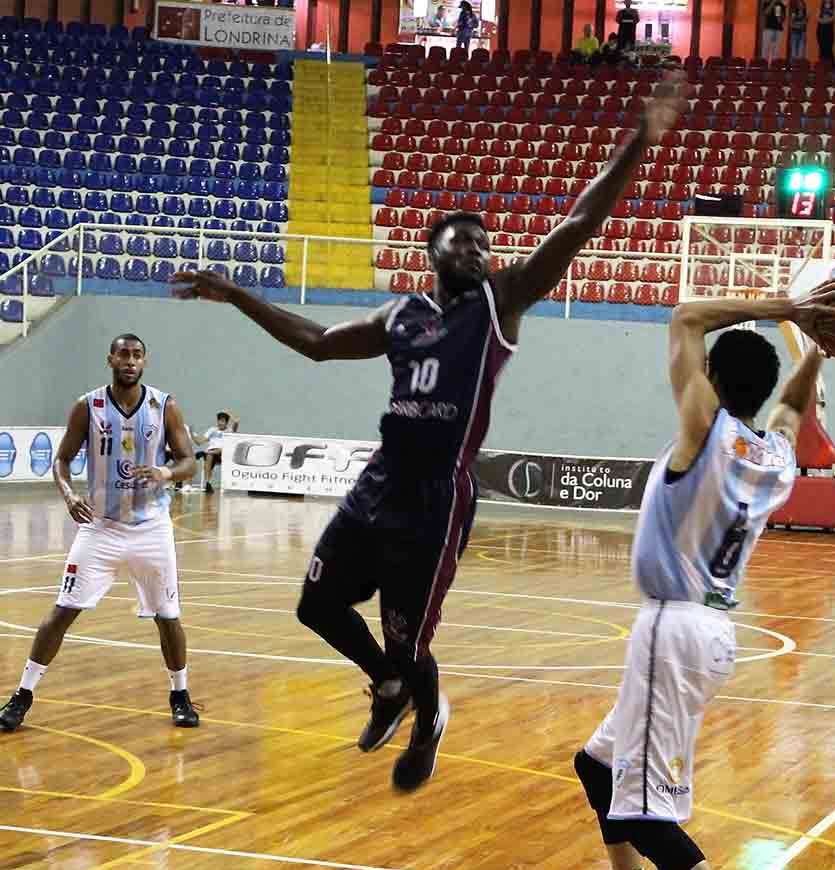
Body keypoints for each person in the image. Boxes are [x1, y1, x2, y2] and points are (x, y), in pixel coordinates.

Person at [170, 75, 686, 793]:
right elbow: (317, 343)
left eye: (484, 243)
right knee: (317, 605)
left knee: (409, 641)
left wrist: (638, 143)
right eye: (462, 240)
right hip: (379, 483)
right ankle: (390, 687)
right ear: (432, 249)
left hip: (436, 499)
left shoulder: (501, 299)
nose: (477, 249)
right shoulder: (399, 315)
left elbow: (576, 225)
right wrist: (235, 295)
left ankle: (427, 715)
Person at [564, 285, 835, 870]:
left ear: (713, 381)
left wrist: (788, 307)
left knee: (645, 814)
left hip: (673, 628)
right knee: (597, 768)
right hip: (707, 630)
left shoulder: (705, 430)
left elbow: (686, 317)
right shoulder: (774, 455)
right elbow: (791, 410)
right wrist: (816, 351)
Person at [0, 335, 201, 733]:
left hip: (151, 527)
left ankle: (180, 695)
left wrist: (165, 472)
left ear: (145, 361)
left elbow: (189, 461)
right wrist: (69, 495)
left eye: (137, 355)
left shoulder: (164, 405)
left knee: (168, 617)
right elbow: (61, 459)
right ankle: (22, 695)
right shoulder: (87, 406)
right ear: (110, 359)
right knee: (62, 611)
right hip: (101, 526)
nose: (130, 361)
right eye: (123, 354)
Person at [192, 409, 237, 493]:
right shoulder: (212, 430)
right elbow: (199, 442)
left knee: (220, 450)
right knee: (209, 456)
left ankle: (205, 453)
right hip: (211, 453)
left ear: (226, 422)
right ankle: (208, 483)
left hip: (223, 453)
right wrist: (192, 434)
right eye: (219, 420)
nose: (220, 423)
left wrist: (228, 414)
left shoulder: (229, 431)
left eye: (223, 421)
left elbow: (236, 422)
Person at [762, 0, 787, 65]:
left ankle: (774, 66)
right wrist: (773, 2)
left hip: (778, 29)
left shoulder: (782, 4)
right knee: (765, 48)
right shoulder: (767, 2)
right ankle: (763, 66)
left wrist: (780, 15)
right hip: (768, 28)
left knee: (776, 50)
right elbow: (766, 12)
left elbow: (782, 19)